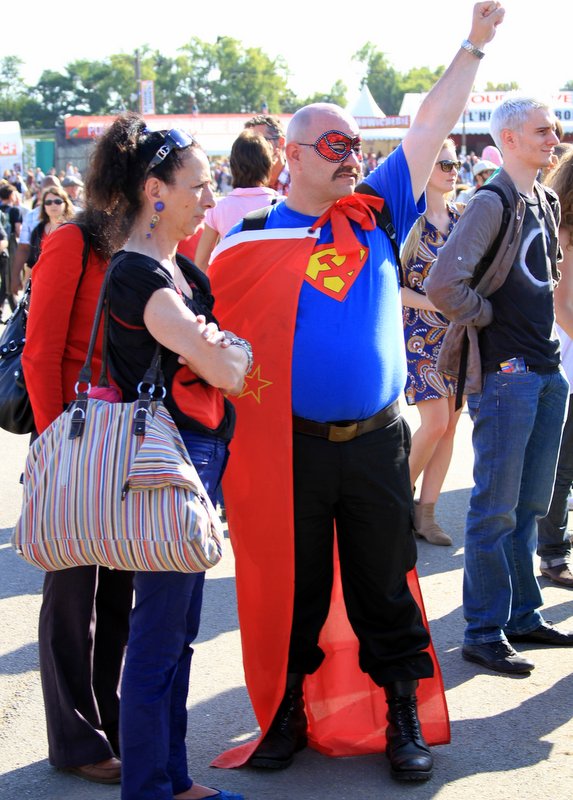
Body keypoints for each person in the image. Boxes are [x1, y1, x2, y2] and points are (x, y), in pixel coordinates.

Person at [208, 2, 505, 783]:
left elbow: (429, 128)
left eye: (354, 143)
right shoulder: (250, 243)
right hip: (288, 452)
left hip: (375, 444)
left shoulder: (374, 210)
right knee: (295, 590)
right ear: (293, 158)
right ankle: (285, 718)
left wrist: (472, 46)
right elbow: (209, 347)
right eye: (333, 144)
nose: (350, 156)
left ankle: (399, 712)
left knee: (384, 584)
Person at [87, 112, 249, 800]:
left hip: (188, 463)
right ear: (155, 189)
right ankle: (151, 788)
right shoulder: (137, 275)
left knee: (176, 633)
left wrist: (221, 351)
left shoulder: (174, 268)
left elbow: (221, 358)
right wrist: (222, 350)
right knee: (158, 639)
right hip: (168, 465)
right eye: (199, 185)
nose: (209, 199)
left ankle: (173, 780)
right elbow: (224, 366)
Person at [426, 96, 573, 677]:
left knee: (530, 504)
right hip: (509, 374)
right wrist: (487, 316)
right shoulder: (492, 199)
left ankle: (520, 615)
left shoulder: (543, 197)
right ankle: (484, 630)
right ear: (509, 138)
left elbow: (549, 276)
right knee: (495, 507)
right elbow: (443, 285)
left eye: (554, 128)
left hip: (544, 368)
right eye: (541, 129)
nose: (553, 137)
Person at [22, 187, 135, 783]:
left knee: (119, 591)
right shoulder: (72, 243)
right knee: (72, 597)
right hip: (72, 438)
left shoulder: (140, 246)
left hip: (126, 438)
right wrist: (51, 449)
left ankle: (110, 723)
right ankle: (75, 741)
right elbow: (40, 353)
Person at [401, 139, 464, 546]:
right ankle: (393, 502)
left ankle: (426, 513)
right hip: (420, 335)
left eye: (455, 162)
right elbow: (390, 285)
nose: (452, 169)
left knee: (450, 428)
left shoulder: (464, 218)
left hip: (459, 335)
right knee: (435, 422)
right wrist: (432, 305)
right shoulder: (410, 221)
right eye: (444, 163)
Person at [536, 146, 573, 587]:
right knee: (560, 468)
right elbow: (561, 306)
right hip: (564, 359)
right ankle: (552, 554)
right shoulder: (565, 232)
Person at [194, 130, 279, 271]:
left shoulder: (218, 207)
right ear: (267, 165)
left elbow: (201, 262)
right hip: (270, 285)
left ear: (233, 165)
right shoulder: (282, 205)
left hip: (231, 286)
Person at [10, 174, 62, 293]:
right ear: (41, 194)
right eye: (48, 199)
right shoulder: (32, 218)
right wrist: (15, 275)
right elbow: (24, 248)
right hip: (40, 278)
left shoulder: (77, 215)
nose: (53, 204)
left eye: (56, 191)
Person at [27, 185, 75, 268]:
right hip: (42, 276)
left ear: (66, 204)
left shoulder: (74, 229)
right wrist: (26, 280)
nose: (53, 205)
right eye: (48, 202)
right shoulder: (38, 230)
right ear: (44, 207)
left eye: (58, 201)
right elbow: (31, 261)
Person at [244, 114, 290, 195]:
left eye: (260, 141)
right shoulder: (245, 186)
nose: (251, 149)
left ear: (280, 142)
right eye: (247, 144)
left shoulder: (301, 183)